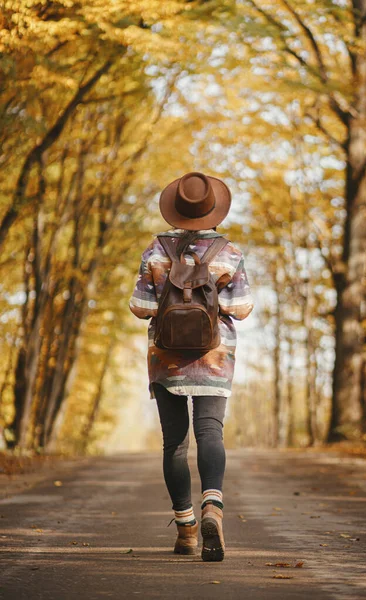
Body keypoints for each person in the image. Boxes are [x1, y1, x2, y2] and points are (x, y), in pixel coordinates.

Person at [129, 172, 254, 561]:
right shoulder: (229, 253)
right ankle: (212, 506)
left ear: (176, 208)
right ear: (212, 210)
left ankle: (186, 529)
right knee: (210, 432)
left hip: (166, 359)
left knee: (175, 442)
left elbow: (142, 308)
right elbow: (241, 308)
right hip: (214, 359)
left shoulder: (155, 250)